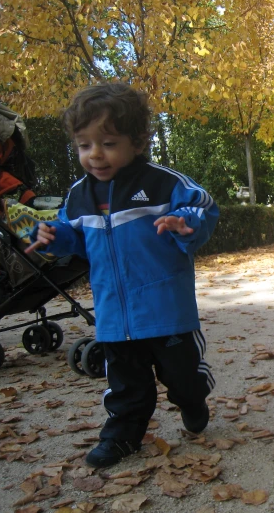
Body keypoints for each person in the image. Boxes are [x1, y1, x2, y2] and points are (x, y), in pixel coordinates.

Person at [26, 83, 219, 468]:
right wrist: (51, 236)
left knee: (182, 377)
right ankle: (122, 433)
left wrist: (185, 223)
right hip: (114, 313)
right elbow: (74, 236)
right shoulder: (79, 195)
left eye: (108, 143)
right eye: (84, 145)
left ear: (137, 141)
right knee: (125, 385)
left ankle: (193, 398)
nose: (95, 155)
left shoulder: (163, 183)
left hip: (166, 308)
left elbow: (204, 206)